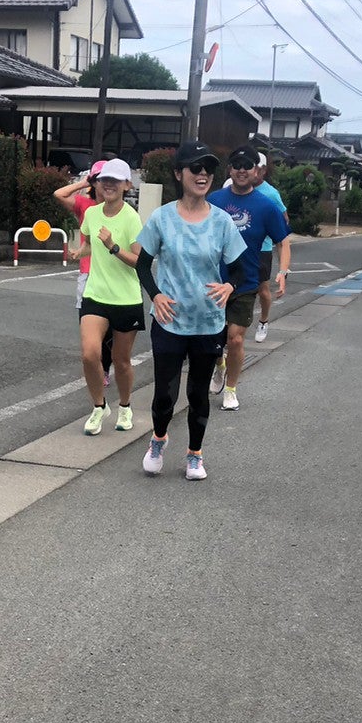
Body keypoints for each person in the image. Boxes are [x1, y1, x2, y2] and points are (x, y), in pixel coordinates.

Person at [133, 141, 247, 480]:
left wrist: (230, 287)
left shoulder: (222, 222)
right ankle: (158, 439)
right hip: (169, 321)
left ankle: (195, 455)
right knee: (164, 395)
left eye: (208, 169)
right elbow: (142, 265)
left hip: (208, 322)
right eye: (195, 168)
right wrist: (156, 296)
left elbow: (240, 269)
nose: (202, 174)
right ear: (178, 173)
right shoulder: (162, 218)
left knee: (198, 393)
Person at [207, 144, 291, 411]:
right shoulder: (214, 200)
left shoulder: (266, 206)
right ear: (230, 169)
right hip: (213, 281)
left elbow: (283, 241)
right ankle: (219, 365)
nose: (242, 170)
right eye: (237, 165)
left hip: (245, 281)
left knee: (236, 338)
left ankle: (231, 390)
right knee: (213, 339)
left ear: (257, 171)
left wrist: (282, 272)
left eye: (247, 166)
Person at [76, 157, 144, 435]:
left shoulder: (132, 218)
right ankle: (98, 406)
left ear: (127, 185)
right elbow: (88, 244)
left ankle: (125, 407)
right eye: (105, 179)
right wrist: (78, 252)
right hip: (95, 294)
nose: (109, 184)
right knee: (89, 354)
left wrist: (113, 246)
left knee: (121, 360)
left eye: (115, 180)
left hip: (126, 299)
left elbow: (139, 261)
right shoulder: (92, 214)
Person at [53, 160, 113, 390]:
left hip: (112, 273)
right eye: (100, 179)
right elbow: (59, 194)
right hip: (88, 273)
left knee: (110, 328)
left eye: (109, 179)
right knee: (88, 325)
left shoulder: (119, 209)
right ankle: (95, 365)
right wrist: (83, 182)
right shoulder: (84, 205)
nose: (105, 184)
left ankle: (105, 367)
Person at [251, 153, 290, 343]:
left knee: (262, 289)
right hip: (239, 248)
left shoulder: (271, 193)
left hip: (263, 248)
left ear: (264, 170)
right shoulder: (235, 187)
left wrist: (272, 230)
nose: (253, 172)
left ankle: (264, 321)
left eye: (257, 168)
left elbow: (284, 219)